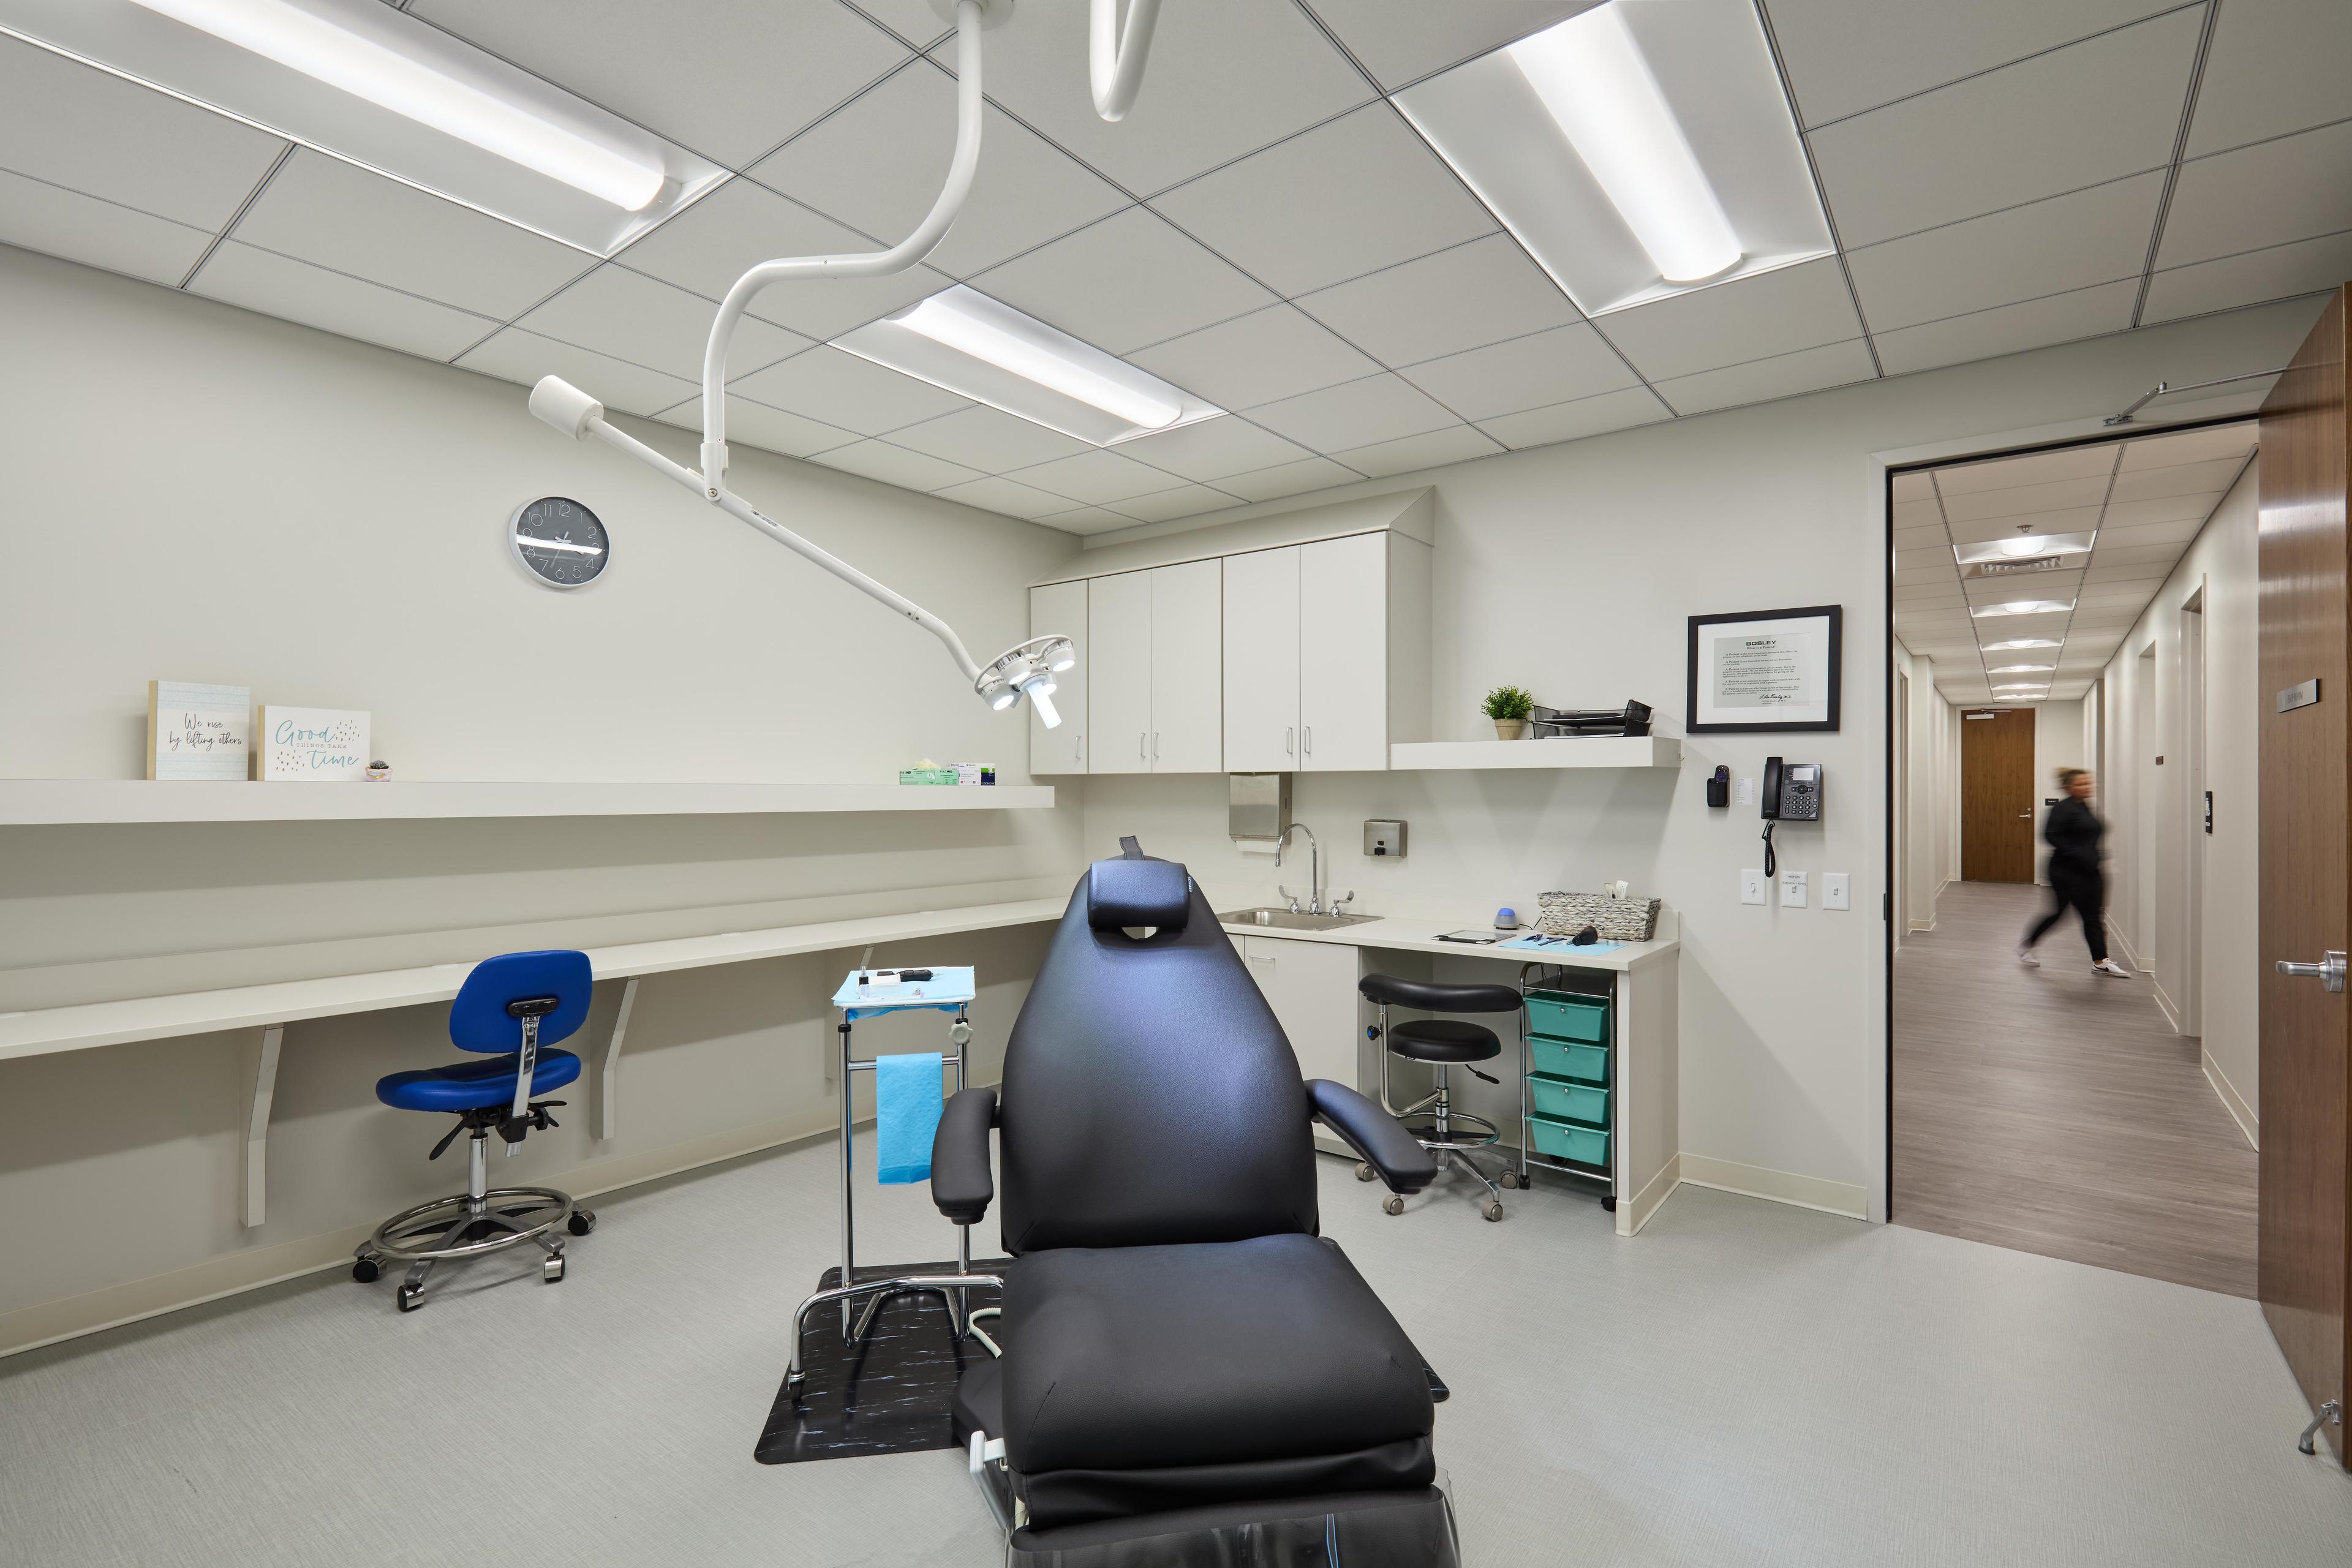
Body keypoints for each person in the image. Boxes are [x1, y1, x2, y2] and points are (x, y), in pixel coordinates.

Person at [2018, 768, 2132, 976]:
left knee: (2093, 916)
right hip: (2066, 872)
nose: (2087, 787)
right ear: (2068, 787)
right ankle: (2028, 944)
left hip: (2090, 870)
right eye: (2081, 784)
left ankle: (2100, 961)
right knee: (2058, 913)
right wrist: (2079, 854)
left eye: (2088, 783)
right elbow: (2050, 836)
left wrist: (2098, 857)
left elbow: (2087, 837)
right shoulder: (2062, 809)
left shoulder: (2085, 807)